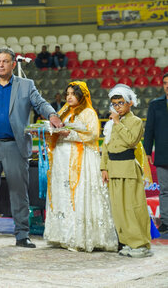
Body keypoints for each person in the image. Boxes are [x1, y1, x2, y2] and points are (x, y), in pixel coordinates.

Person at [0, 46, 62, 248]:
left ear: (13, 64)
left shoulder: (26, 85)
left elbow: (40, 103)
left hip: (16, 145)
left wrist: (52, 114)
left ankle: (22, 235)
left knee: (19, 192)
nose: (0, 65)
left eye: (5, 61)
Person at [43, 81, 118, 252]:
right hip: (63, 160)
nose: (69, 97)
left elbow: (92, 134)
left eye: (72, 94)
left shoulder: (88, 112)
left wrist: (69, 133)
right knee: (63, 195)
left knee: (79, 195)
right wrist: (46, 131)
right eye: (67, 93)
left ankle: (81, 237)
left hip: (82, 160)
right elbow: (56, 129)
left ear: (81, 96)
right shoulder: (63, 111)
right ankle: (62, 236)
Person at [101, 84, 152, 257]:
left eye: (120, 103)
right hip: (114, 169)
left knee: (133, 207)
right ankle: (127, 242)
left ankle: (141, 244)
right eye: (114, 104)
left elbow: (131, 141)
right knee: (118, 209)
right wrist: (104, 168)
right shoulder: (110, 124)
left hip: (128, 168)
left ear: (130, 103)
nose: (117, 107)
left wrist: (116, 123)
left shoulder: (135, 121)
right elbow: (106, 146)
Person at [144, 73, 168, 233]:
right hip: (162, 154)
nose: (167, 85)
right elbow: (149, 130)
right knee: (165, 189)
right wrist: (146, 151)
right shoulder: (155, 104)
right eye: (165, 83)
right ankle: (166, 222)